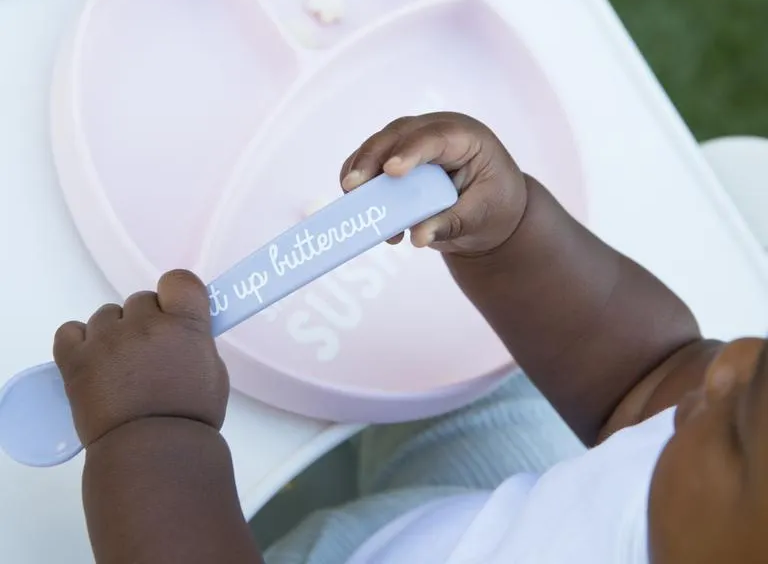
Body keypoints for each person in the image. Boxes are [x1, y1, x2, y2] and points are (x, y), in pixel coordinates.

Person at [53, 112, 768, 564]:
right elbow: (650, 374)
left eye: (738, 434)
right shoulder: (709, 481)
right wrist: (512, 231)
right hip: (479, 518)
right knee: (474, 362)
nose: (730, 365)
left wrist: (150, 432)